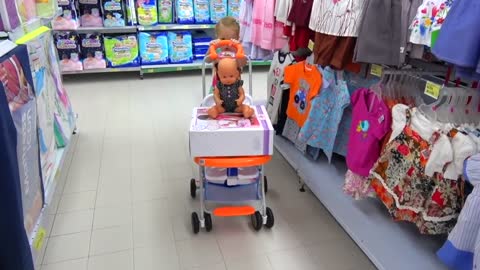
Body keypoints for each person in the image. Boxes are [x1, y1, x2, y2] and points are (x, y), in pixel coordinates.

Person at [206, 16, 246, 93]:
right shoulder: (216, 49)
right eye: (223, 39)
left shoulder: (238, 50)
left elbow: (243, 64)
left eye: (230, 39)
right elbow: (207, 60)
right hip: (217, 86)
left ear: (238, 38)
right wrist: (211, 48)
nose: (227, 44)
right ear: (217, 37)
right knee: (215, 101)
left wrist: (238, 50)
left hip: (235, 87)